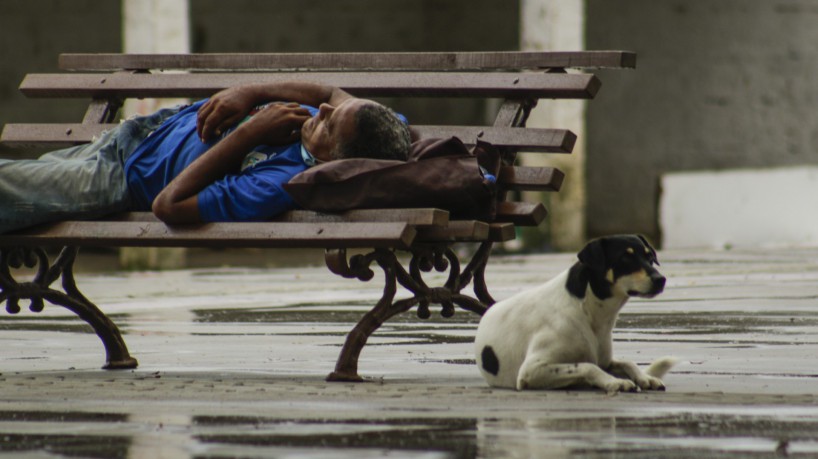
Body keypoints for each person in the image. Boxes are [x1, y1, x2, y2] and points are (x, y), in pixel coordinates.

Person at [0, 82, 411, 234]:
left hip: (117, 177)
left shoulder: (276, 184)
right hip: (137, 134)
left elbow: (169, 205)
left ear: (332, 162)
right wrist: (252, 92)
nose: (321, 112)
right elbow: (331, 93)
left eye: (328, 127)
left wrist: (250, 132)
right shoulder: (376, 124)